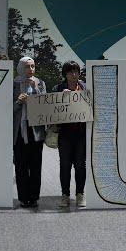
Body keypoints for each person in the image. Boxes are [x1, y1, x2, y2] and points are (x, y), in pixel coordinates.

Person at [52, 60, 87, 209]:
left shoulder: (85, 87)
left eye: (76, 71)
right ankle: (65, 195)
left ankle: (80, 194)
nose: (74, 74)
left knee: (80, 165)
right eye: (70, 71)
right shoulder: (58, 88)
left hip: (81, 134)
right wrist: (61, 97)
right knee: (64, 165)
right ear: (65, 74)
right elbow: (51, 110)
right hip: (65, 134)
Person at [13, 56, 46, 208]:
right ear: (21, 68)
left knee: (35, 165)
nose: (31, 70)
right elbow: (7, 109)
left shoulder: (40, 83)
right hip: (19, 130)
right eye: (27, 66)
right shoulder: (13, 84)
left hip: (35, 131)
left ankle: (33, 197)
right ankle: (23, 197)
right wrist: (18, 102)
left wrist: (37, 89)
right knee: (21, 165)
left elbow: (46, 106)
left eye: (33, 66)